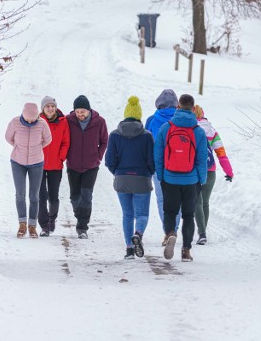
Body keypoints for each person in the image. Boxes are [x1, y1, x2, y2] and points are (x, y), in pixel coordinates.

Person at [154, 94, 207, 262]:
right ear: (193, 108)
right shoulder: (198, 131)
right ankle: (186, 251)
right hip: (191, 180)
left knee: (170, 211)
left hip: (170, 178)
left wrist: (161, 175)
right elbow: (201, 158)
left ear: (178, 107)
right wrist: (202, 179)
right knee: (188, 215)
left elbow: (158, 154)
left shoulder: (166, 128)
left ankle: (170, 233)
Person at [105, 96, 155, 259]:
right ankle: (138, 234)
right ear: (139, 115)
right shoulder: (147, 136)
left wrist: (118, 173)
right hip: (142, 179)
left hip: (122, 179)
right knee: (142, 215)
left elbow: (109, 161)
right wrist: (148, 173)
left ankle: (129, 249)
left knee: (127, 214)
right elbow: (151, 160)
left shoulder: (114, 135)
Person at [5, 103, 52, 239]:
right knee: (20, 194)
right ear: (23, 115)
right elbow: (8, 137)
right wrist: (18, 147)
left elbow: (48, 139)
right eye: (28, 119)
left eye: (33, 119)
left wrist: (37, 149)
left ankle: (32, 226)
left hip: (36, 162)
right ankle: (22, 224)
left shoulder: (42, 124)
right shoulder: (14, 122)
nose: (31, 121)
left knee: (34, 196)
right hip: (17, 162)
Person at [65, 95, 108, 239]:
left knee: (87, 196)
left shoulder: (99, 122)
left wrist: (98, 157)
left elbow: (104, 141)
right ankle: (80, 215)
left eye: (82, 111)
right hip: (73, 165)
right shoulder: (69, 121)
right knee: (74, 197)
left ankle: (82, 227)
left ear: (88, 110)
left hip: (91, 166)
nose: (79, 114)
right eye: (77, 111)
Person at [192, 105, 234, 245]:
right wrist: (229, 172)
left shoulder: (191, 130)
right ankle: (203, 232)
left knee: (197, 201)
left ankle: (202, 233)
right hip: (210, 171)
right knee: (205, 202)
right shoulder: (212, 131)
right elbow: (221, 154)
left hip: (195, 171)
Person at [145, 89, 181, 246]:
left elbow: (146, 144)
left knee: (162, 200)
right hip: (180, 167)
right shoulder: (182, 119)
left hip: (158, 167)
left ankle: (168, 231)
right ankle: (174, 229)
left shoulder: (152, 120)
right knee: (177, 201)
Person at [38, 96, 70, 237]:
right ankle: (44, 225)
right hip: (39, 164)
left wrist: (61, 157)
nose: (50, 108)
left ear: (55, 107)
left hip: (56, 165)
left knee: (53, 196)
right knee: (41, 196)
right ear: (43, 109)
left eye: (52, 106)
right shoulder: (38, 121)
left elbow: (66, 142)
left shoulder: (63, 122)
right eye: (47, 106)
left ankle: (52, 219)